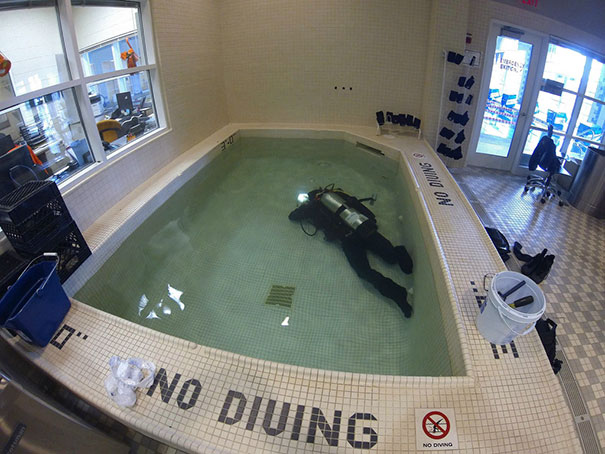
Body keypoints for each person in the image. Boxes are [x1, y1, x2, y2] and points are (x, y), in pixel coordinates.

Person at [288, 185, 414, 317]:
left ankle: (398, 293)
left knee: (364, 271)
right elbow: (358, 205)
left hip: (349, 239)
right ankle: (399, 260)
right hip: (363, 228)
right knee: (389, 258)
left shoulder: (312, 208)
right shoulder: (336, 194)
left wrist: (303, 205)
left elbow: (292, 216)